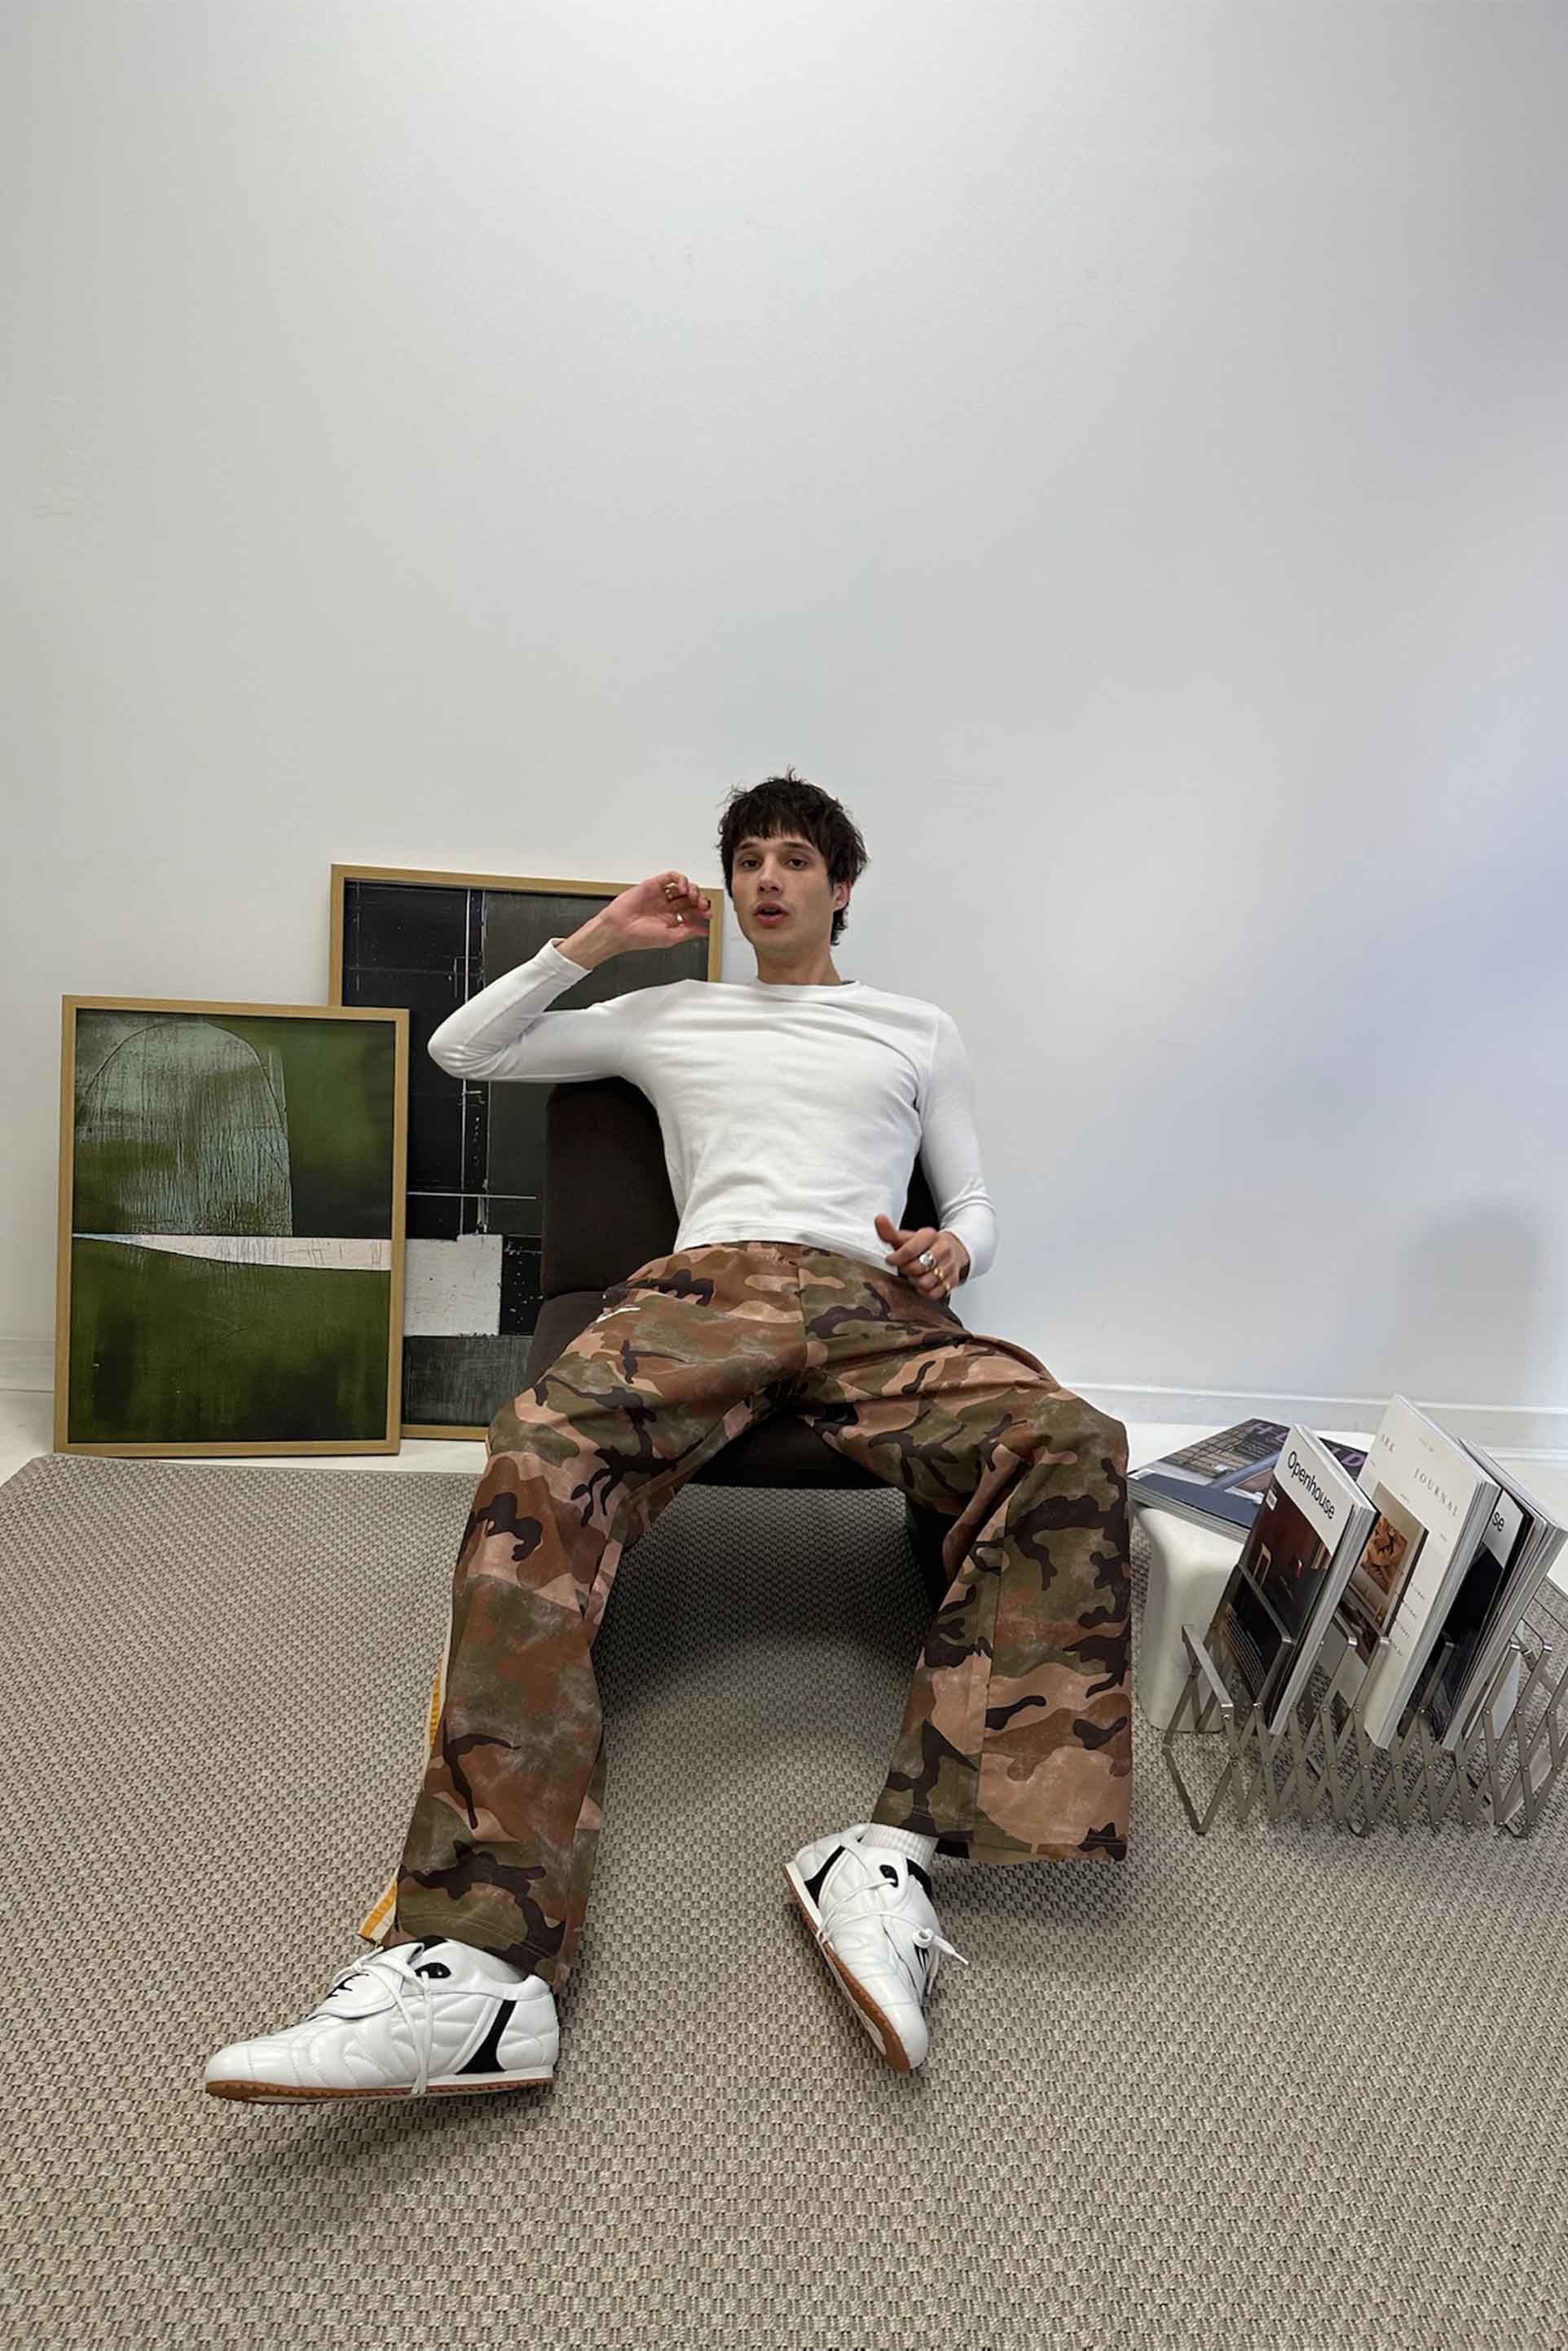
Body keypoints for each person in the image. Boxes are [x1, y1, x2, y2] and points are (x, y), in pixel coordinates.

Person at [205, 770, 1133, 2102]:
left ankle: (888, 1855)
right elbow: (464, 1049)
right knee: (536, 1453)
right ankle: (482, 1968)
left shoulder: (916, 1027)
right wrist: (600, 938)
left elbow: (975, 1196)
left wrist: (955, 1249)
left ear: (842, 887)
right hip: (706, 1289)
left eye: (794, 858)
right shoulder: (669, 1013)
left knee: (1073, 1440)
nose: (767, 877)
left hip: (873, 1299)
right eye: (748, 858)